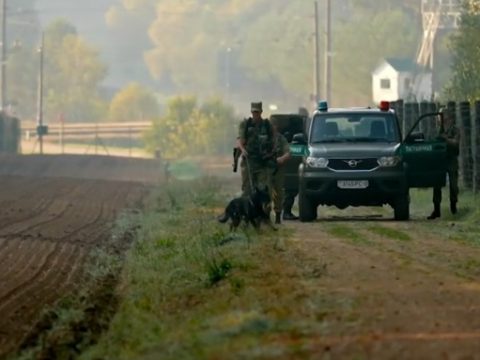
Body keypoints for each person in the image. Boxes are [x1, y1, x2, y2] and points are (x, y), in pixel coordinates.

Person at [428, 107, 460, 220]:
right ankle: (436, 209)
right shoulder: (438, 129)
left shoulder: (455, 129)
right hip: (440, 159)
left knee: (453, 184)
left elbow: (456, 142)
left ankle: (453, 205)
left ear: (448, 118)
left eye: (442, 116)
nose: (439, 119)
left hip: (451, 159)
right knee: (437, 184)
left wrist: (445, 139)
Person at [237, 102, 275, 196]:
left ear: (261, 112)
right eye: (254, 112)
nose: (255, 114)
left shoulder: (266, 125)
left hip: (262, 163)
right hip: (249, 162)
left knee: (263, 189)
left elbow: (273, 142)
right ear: (251, 112)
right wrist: (243, 149)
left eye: (257, 112)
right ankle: (247, 210)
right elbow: (240, 140)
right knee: (247, 189)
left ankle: (263, 210)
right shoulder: (246, 125)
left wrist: (270, 154)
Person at [270, 117, 291, 224]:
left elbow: (288, 152)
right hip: (267, 170)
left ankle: (278, 214)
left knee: (278, 193)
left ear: (276, 127)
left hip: (278, 169)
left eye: (273, 125)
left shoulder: (281, 139)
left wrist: (281, 159)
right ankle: (264, 215)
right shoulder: (264, 139)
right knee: (265, 192)